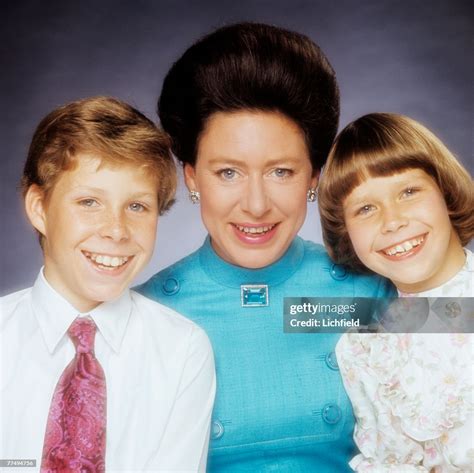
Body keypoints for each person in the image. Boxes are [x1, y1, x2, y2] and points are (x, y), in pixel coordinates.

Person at [138, 23, 394, 472]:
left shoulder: (363, 296)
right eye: (228, 173)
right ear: (192, 177)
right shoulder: (147, 313)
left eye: (281, 172)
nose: (256, 206)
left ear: (314, 177)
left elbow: (457, 348)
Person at [0, 96, 215, 472]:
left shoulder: (181, 350)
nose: (116, 230)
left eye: (137, 207)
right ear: (39, 208)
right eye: (88, 202)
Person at [318, 113, 474, 471]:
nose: (392, 222)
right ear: (346, 233)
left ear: (445, 192)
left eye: (408, 192)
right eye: (366, 208)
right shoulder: (363, 346)